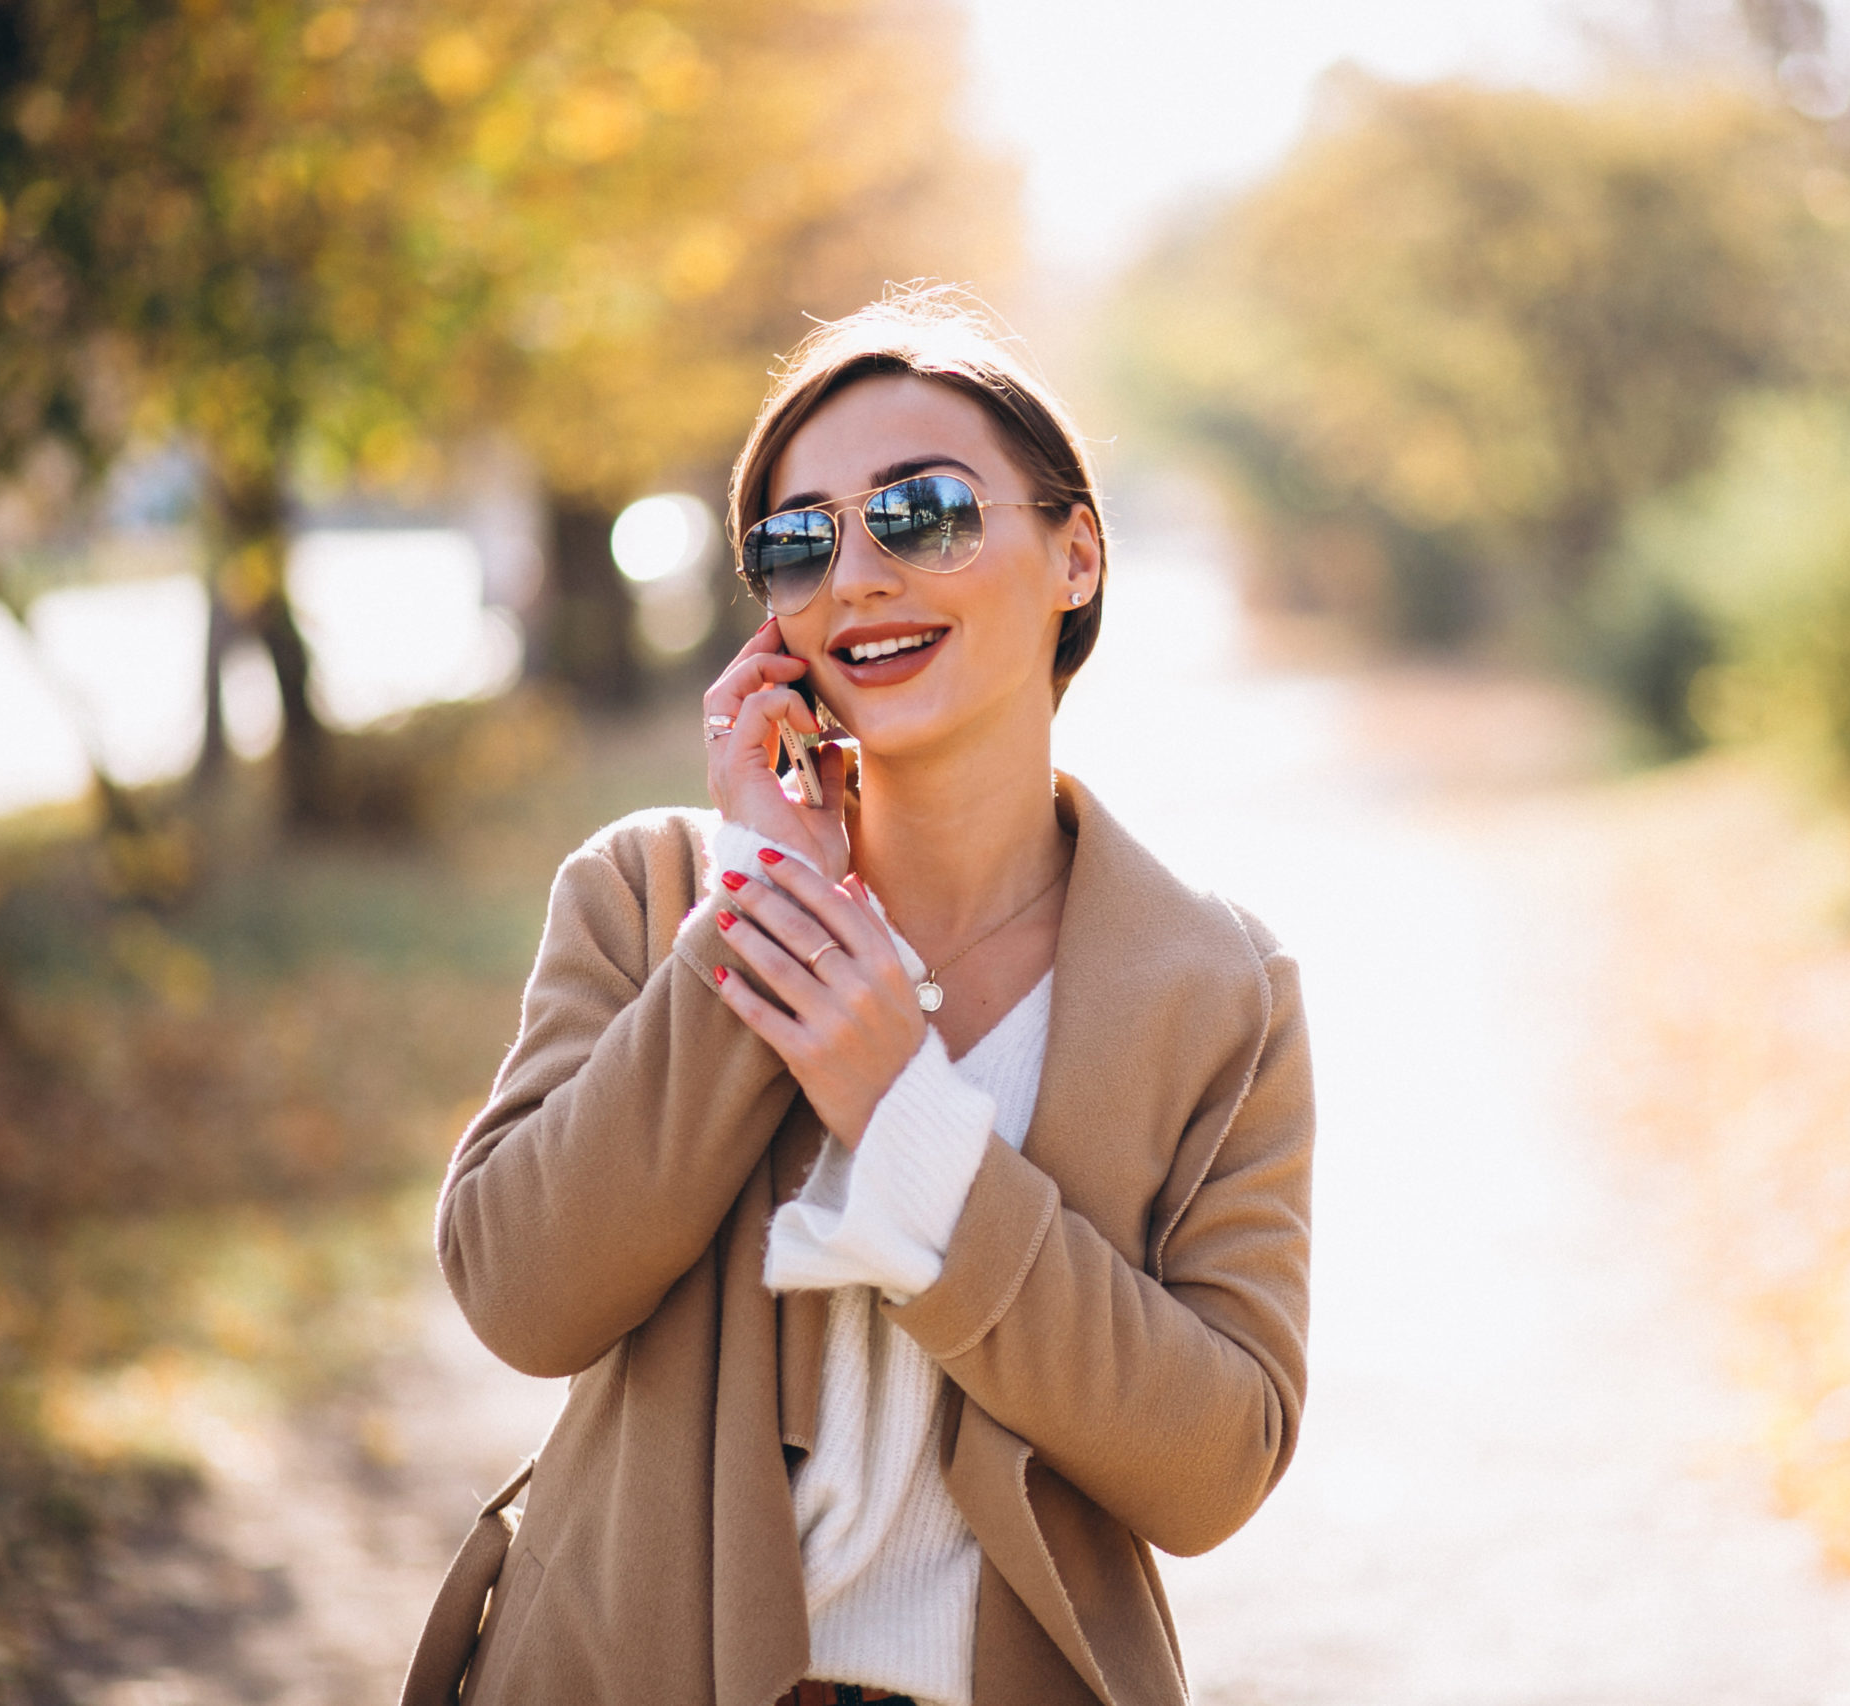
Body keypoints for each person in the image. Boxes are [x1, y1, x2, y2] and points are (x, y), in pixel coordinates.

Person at [399, 288, 1315, 1706]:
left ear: (1075, 552)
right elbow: (522, 1293)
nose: (856, 576)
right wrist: (761, 908)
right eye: (798, 541)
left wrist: (911, 1122)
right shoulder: (647, 898)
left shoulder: (1218, 990)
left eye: (926, 512)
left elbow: (1214, 1461)